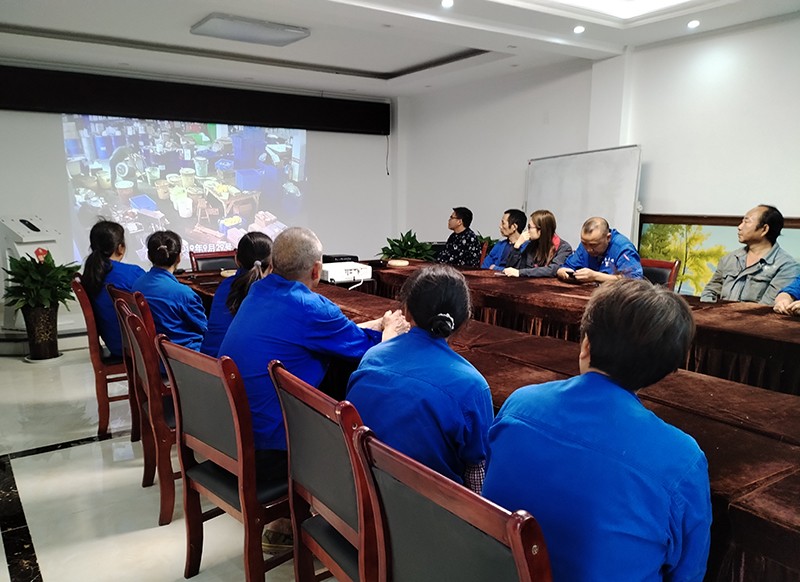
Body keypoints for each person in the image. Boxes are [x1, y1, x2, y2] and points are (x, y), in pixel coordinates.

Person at [482, 279, 712, 582]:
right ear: (665, 370)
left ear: (586, 344)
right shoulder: (682, 459)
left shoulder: (519, 404)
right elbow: (689, 573)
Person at [218, 227, 408, 472]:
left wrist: (377, 324)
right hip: (273, 447)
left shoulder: (258, 290)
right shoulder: (310, 307)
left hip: (232, 433)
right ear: (317, 270)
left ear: (272, 264)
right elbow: (371, 353)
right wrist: (391, 330)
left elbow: (329, 334)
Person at [347, 264, 494, 493]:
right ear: (464, 320)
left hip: (363, 492)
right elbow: (478, 473)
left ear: (405, 311)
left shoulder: (372, 357)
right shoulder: (472, 386)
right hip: (430, 509)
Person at [701, 205, 799, 305]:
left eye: (746, 222)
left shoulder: (786, 267)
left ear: (764, 229)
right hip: (717, 313)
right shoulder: (730, 258)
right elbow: (710, 291)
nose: (739, 227)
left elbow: (766, 307)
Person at [132, 230, 207, 351]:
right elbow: (204, 328)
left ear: (149, 256)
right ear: (179, 258)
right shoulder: (184, 294)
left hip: (156, 351)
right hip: (186, 354)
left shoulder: (137, 284)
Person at [200, 232, 272, 357]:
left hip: (210, 361)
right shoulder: (274, 294)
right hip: (239, 365)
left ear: (236, 259)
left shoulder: (225, 286)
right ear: (272, 265)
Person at [81, 219, 145, 358]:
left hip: (115, 344)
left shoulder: (91, 274)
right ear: (120, 247)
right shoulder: (132, 273)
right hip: (137, 346)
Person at [557, 217, 643, 282]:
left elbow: (634, 280)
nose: (588, 249)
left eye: (593, 245)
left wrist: (595, 276)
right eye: (584, 243)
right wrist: (562, 271)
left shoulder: (623, 248)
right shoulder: (586, 244)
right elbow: (568, 266)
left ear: (608, 238)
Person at [503, 209, 573, 277]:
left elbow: (552, 270)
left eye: (529, 227)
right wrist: (517, 246)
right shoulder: (531, 244)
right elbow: (512, 269)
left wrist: (520, 272)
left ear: (541, 230)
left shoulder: (564, 248)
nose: (527, 231)